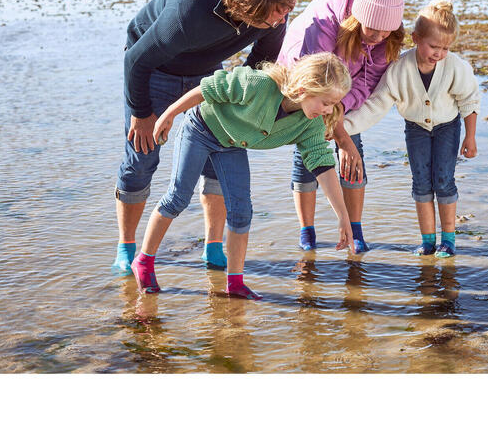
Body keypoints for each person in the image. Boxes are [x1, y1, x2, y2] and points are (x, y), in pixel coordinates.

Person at [114, 0, 295, 273]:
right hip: (156, 70)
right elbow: (136, 60)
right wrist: (142, 114)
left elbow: (260, 63)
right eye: (276, 13)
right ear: (249, 10)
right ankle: (126, 247)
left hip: (206, 73)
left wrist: (239, 100)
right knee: (141, 158)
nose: (282, 18)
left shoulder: (275, 14)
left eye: (284, 10)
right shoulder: (189, 12)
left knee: (219, 148)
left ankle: (213, 247)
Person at [131, 52, 355, 300]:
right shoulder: (259, 84)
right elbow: (208, 88)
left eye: (334, 104)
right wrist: (170, 114)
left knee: (242, 211)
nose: (328, 110)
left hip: (232, 143)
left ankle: (235, 283)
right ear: (303, 89)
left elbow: (322, 164)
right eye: (325, 102)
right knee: (178, 198)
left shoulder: (310, 124)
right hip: (200, 128)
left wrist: (342, 215)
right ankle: (143, 261)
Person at [277, 0, 405, 254]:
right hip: (306, 87)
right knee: (308, 149)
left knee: (353, 149)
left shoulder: (387, 38)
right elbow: (316, 86)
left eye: (386, 31)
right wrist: (336, 131)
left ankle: (354, 229)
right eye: (371, 29)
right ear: (356, 19)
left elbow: (367, 83)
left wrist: (341, 118)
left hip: (340, 94)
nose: (377, 36)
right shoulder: (324, 24)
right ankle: (307, 232)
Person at [343, 0, 479, 257]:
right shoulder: (399, 68)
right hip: (416, 129)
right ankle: (428, 241)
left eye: (445, 48)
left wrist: (470, 137)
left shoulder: (455, 67)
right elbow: (376, 105)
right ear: (416, 38)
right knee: (421, 183)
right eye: (433, 46)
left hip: (447, 127)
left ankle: (448, 240)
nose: (439, 53)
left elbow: (469, 101)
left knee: (443, 181)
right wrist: (343, 127)